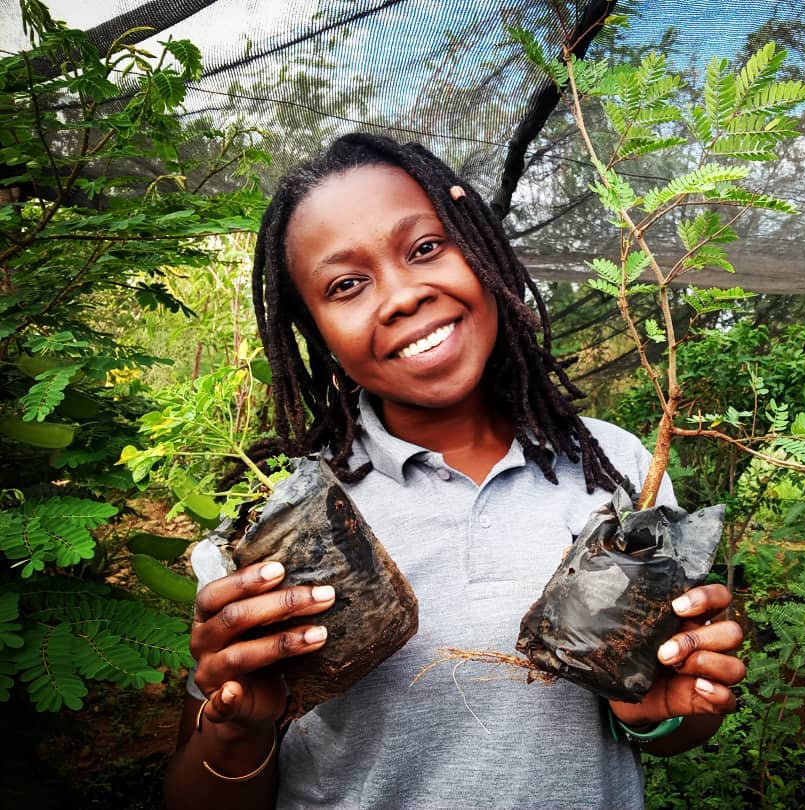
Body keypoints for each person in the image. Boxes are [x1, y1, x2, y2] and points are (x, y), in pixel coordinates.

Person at [164, 133, 746, 809]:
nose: (404, 295)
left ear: (484, 252)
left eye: (426, 247)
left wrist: (662, 711)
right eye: (347, 284)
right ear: (316, 331)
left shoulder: (621, 470)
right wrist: (240, 730)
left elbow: (670, 725)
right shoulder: (287, 528)